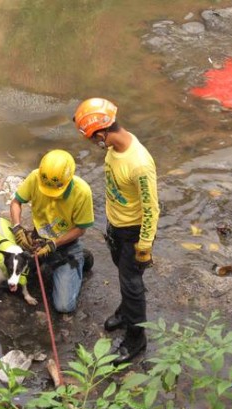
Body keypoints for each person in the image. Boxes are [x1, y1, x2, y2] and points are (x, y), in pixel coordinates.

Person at [73, 97, 159, 365]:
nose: (93, 144)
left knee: (132, 285)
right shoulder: (115, 147)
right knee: (124, 277)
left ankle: (136, 339)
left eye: (92, 139)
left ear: (102, 133)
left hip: (133, 232)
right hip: (116, 225)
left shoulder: (140, 164)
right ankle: (125, 312)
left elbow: (151, 209)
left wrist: (144, 246)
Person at [10, 149, 94, 313]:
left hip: (66, 245)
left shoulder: (82, 192)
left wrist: (54, 244)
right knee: (12, 278)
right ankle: (47, 261)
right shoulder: (36, 177)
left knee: (64, 306)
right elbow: (16, 202)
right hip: (37, 238)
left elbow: (81, 229)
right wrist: (17, 227)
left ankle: (82, 256)